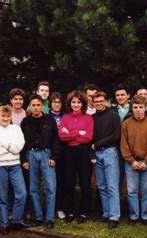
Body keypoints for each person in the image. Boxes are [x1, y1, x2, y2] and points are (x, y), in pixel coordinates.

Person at [21, 94, 61, 229]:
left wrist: (54, 157)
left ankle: (49, 218)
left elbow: (56, 139)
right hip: (31, 154)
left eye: (38, 105)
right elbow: (22, 142)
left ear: (42, 106)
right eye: (34, 105)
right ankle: (38, 216)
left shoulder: (49, 120)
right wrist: (24, 159)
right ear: (30, 106)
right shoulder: (25, 122)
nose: (36, 107)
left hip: (46, 154)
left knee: (50, 187)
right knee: (33, 188)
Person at [0, 105, 27, 235]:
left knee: (22, 193)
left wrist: (5, 144)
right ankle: (4, 223)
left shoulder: (16, 129)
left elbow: (18, 147)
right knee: (2, 196)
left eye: (8, 116)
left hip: (15, 165)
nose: (5, 118)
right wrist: (11, 147)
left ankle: (15, 219)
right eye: (3, 116)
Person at [120, 95, 147, 225]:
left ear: (145, 108)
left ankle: (146, 216)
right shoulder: (126, 124)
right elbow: (123, 145)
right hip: (132, 162)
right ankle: (134, 216)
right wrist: (131, 161)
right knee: (132, 191)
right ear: (132, 108)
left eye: (140, 107)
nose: (138, 110)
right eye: (135, 107)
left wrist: (146, 161)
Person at [58, 91, 94, 224]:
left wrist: (71, 134)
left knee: (85, 183)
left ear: (83, 104)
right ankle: (70, 211)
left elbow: (88, 137)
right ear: (69, 103)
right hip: (68, 152)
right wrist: (78, 132)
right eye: (73, 102)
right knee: (69, 183)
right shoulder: (65, 118)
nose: (76, 104)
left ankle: (84, 212)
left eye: (79, 102)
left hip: (84, 152)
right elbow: (62, 136)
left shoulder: (88, 118)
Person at [90, 91, 122, 229]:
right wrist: (92, 153)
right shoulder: (91, 118)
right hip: (96, 154)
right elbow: (89, 139)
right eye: (96, 101)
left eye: (101, 101)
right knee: (101, 186)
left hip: (110, 152)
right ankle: (106, 213)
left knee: (112, 186)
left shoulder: (113, 116)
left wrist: (97, 145)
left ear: (105, 101)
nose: (99, 103)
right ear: (93, 103)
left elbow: (116, 136)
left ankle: (114, 216)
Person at [49, 92, 67, 220]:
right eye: (54, 102)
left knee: (61, 181)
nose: (57, 104)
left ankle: (60, 208)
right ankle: (51, 207)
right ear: (50, 104)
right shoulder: (46, 117)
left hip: (64, 153)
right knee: (50, 183)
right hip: (49, 153)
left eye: (59, 102)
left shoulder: (66, 116)